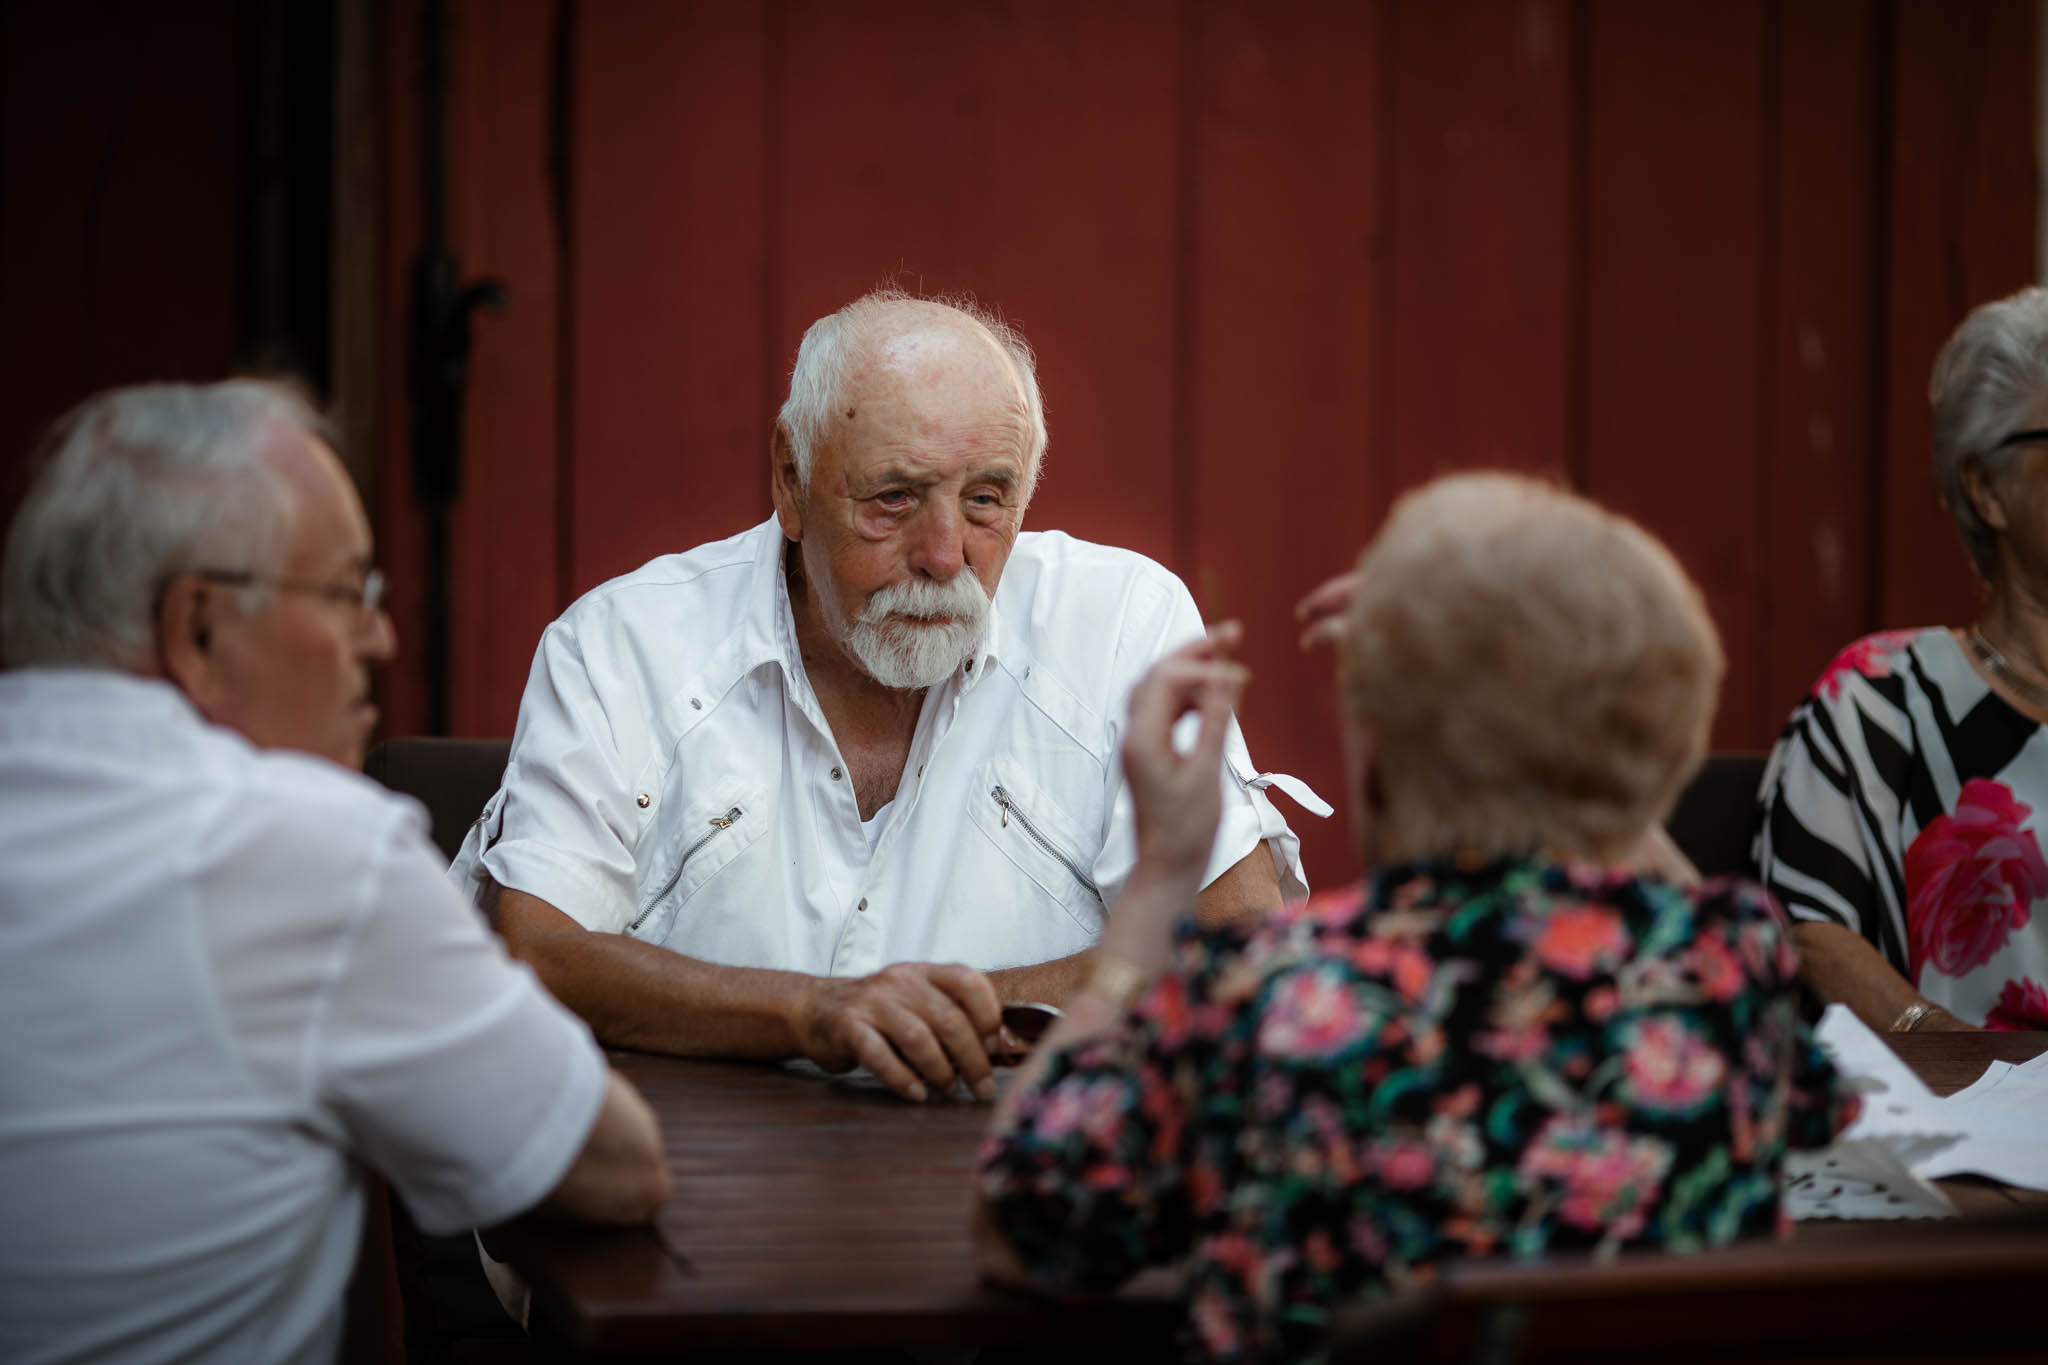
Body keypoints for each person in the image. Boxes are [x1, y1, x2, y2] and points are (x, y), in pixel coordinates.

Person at [976, 473, 1847, 1365]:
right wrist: (1589, 743)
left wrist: (1160, 877)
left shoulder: (1269, 997)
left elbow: (1019, 1230)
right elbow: (1828, 1117)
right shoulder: (1731, 966)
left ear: (1381, 761)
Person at [450, 290, 1320, 1103]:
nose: (945, 554)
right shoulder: (622, 645)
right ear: (790, 483)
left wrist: (921, 1012)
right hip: (696, 1197)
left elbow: (1239, 940)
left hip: (1022, 1189)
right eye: (894, 499)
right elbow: (540, 949)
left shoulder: (1123, 619)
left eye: (987, 499)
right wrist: (818, 1012)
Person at [0, 382, 669, 1365]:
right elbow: (610, 1168)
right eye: (348, 592)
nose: (381, 639)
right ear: (199, 629)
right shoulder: (299, 846)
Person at [1756, 286, 2048, 1034]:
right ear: (1986, 489)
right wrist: (1968, 1063)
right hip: (1955, 1131)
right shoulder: (1882, 698)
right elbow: (1810, 934)